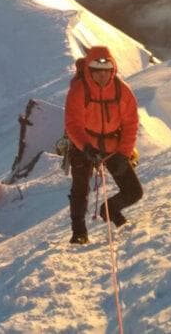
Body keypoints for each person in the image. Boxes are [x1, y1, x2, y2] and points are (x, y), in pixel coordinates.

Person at [64, 45, 143, 244]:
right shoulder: (79, 90)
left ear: (112, 70)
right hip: (84, 144)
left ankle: (110, 210)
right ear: (89, 71)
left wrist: (123, 154)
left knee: (134, 192)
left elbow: (131, 124)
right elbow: (73, 124)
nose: (102, 75)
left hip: (112, 145)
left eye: (106, 71)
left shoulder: (122, 91)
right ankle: (79, 233)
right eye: (97, 71)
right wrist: (86, 147)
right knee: (80, 188)